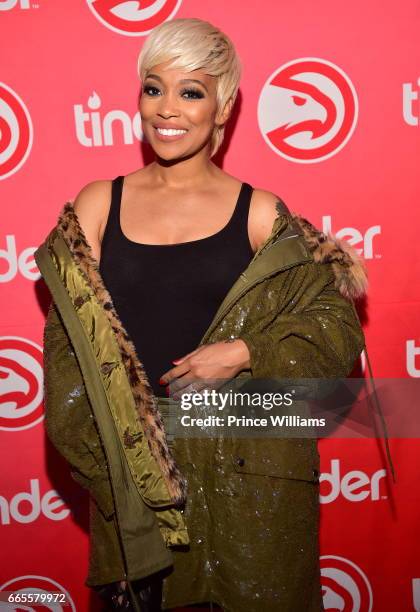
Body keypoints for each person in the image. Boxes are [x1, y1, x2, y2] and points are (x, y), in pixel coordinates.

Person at [34, 17, 372, 612]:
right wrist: (118, 462)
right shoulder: (98, 202)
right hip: (139, 475)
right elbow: (69, 354)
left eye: (191, 91)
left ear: (224, 107)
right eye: (153, 87)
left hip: (248, 463)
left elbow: (337, 328)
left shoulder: (259, 211)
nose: (168, 108)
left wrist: (246, 352)